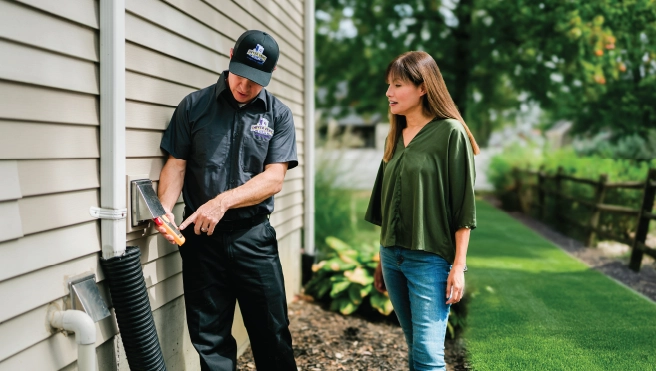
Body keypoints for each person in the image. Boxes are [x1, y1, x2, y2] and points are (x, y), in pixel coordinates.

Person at [155, 30, 298, 371]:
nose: (245, 86)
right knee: (211, 340)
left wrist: (222, 202)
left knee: (272, 332)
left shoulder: (279, 115)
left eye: (255, 80)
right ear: (231, 55)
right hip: (202, 241)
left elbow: (274, 178)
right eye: (241, 74)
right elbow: (176, 165)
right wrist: (162, 210)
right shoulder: (194, 106)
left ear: (270, 75)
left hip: (253, 238)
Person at [365, 51, 480, 371]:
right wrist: (380, 259)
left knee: (429, 356)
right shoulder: (394, 135)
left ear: (423, 88)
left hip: (430, 260)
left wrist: (458, 266)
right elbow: (386, 204)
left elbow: (463, 207)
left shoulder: (450, 133)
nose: (389, 92)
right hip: (391, 257)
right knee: (415, 347)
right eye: (388, 85)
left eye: (398, 84)